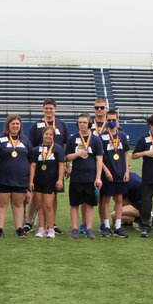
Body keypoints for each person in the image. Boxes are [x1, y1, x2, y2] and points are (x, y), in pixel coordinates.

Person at [28, 98, 70, 231]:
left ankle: (52, 223)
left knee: (53, 195)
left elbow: (65, 146)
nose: (49, 110)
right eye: (46, 108)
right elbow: (31, 146)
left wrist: (67, 165)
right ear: (43, 109)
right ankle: (28, 222)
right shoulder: (37, 125)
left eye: (51, 108)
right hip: (39, 165)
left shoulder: (62, 125)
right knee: (35, 195)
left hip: (56, 166)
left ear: (55, 109)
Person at [0, 114, 32, 239]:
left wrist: (29, 178)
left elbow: (30, 160)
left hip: (20, 179)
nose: (15, 126)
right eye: (13, 123)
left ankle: (19, 229)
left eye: (17, 124)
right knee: (2, 204)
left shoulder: (25, 140)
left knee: (18, 204)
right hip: (2, 178)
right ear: (8, 125)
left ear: (20, 126)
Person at [65, 113, 104, 239]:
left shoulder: (96, 139)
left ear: (89, 124)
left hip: (90, 178)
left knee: (89, 204)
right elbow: (67, 157)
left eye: (84, 122)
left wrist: (98, 177)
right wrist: (77, 154)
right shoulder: (73, 139)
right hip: (76, 177)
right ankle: (75, 228)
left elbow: (99, 160)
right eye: (80, 122)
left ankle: (89, 229)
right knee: (75, 204)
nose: (81, 124)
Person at [97, 107, 131, 237]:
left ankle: (118, 226)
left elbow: (126, 154)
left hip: (121, 173)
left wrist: (127, 170)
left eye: (113, 120)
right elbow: (99, 157)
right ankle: (105, 226)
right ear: (106, 120)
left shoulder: (122, 135)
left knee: (119, 199)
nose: (111, 122)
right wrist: (105, 171)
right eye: (109, 120)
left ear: (118, 120)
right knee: (105, 200)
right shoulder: (102, 137)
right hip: (108, 174)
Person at [28, 126, 64, 238]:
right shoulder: (36, 150)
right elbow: (33, 166)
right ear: (42, 135)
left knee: (48, 206)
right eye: (46, 134)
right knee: (40, 206)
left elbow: (61, 165)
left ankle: (51, 229)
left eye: (51, 134)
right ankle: (41, 229)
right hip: (38, 181)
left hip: (51, 181)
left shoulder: (58, 149)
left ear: (53, 137)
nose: (48, 136)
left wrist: (60, 179)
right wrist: (31, 180)